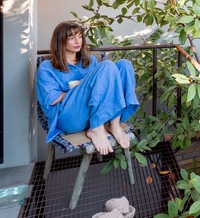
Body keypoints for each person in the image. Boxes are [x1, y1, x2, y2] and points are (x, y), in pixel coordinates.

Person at [36, 21, 139, 155]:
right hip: (70, 118)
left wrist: (90, 89)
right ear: (60, 41)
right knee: (107, 65)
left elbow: (101, 90)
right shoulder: (47, 67)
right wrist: (81, 90)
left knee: (124, 64)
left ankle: (114, 124)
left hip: (92, 113)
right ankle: (96, 129)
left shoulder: (89, 61)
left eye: (79, 36)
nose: (77, 41)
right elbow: (51, 99)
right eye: (71, 38)